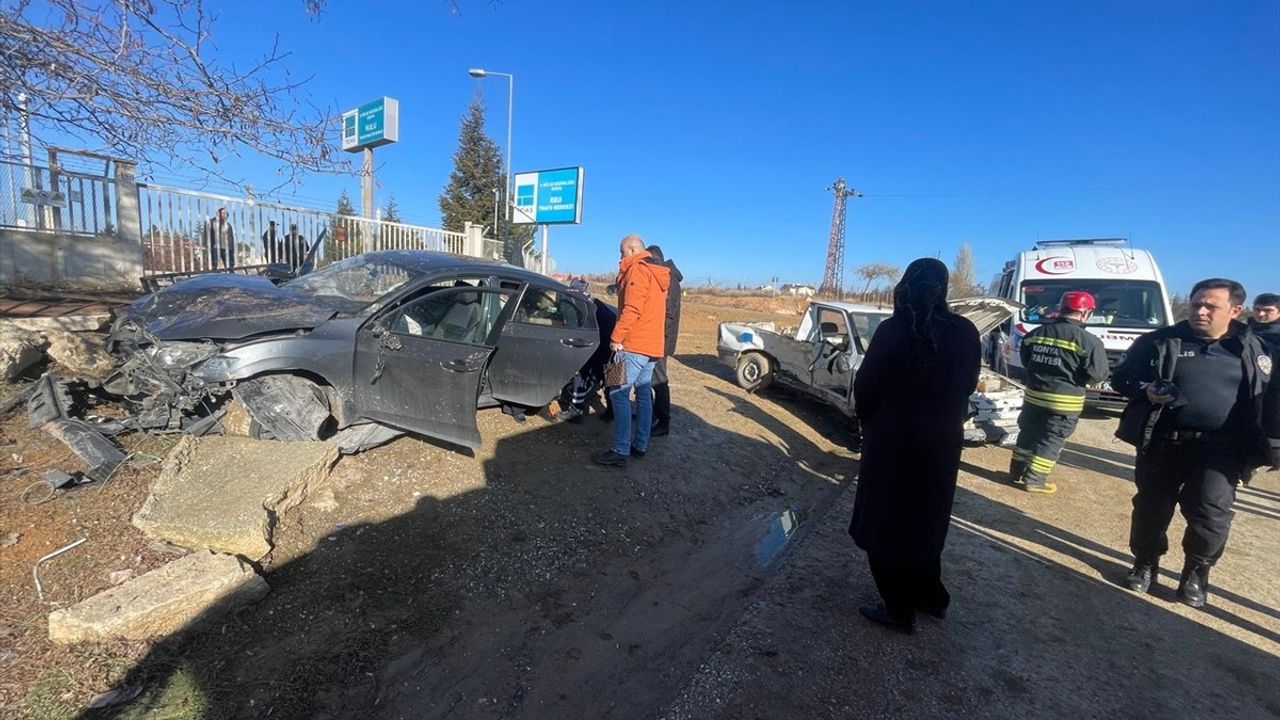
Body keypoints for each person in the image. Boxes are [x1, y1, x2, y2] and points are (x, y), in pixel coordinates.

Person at [1113, 278, 1279, 608]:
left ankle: (1196, 573)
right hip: (1163, 441)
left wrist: (1272, 444)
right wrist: (1146, 390)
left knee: (1211, 513)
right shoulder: (1160, 341)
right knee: (1151, 508)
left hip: (1223, 450)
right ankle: (1146, 564)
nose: (1200, 311)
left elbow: (1273, 400)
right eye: (1195, 304)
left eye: (1210, 306)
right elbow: (1121, 378)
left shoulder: (1258, 351)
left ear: (1234, 310)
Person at [847, 258, 981, 633]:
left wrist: (867, 420)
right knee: (926, 519)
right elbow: (969, 384)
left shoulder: (894, 330)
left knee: (885, 524)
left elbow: (867, 389)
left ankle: (898, 609)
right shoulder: (966, 331)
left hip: (893, 443)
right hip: (942, 442)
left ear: (905, 286)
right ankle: (932, 598)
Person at [1009, 291, 1109, 493]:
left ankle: (1016, 472)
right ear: (1086, 313)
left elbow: (1027, 361)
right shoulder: (1089, 342)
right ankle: (1035, 480)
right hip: (1064, 404)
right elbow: (1097, 375)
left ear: (1061, 309)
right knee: (1051, 440)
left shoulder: (1035, 334)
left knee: (1027, 433)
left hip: (1034, 397)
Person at [593, 234, 670, 467]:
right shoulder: (658, 273)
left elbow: (632, 309)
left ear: (634, 249)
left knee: (617, 392)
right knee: (644, 394)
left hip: (632, 344)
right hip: (652, 347)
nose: (619, 258)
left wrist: (616, 337)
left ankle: (620, 449)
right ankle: (640, 444)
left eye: (621, 252)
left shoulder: (637, 269)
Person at [645, 244, 683, 437]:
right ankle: (651, 415)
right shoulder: (667, 275)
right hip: (658, 337)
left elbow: (669, 314)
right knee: (651, 378)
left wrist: (659, 339)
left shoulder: (669, 279)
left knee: (659, 380)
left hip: (661, 339)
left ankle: (663, 422)